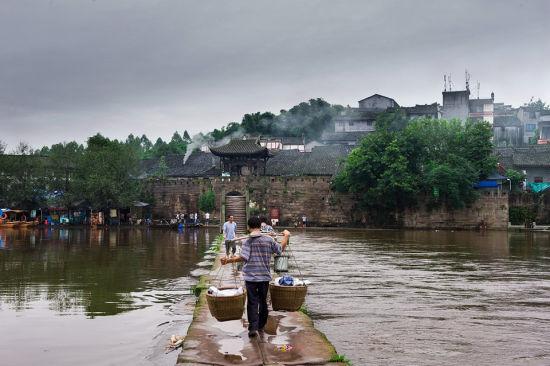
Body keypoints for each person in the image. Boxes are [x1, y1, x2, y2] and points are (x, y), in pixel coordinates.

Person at [221, 216, 290, 337]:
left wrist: (228, 260)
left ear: (249, 227)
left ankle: (253, 327)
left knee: (252, 301)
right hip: (264, 277)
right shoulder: (268, 240)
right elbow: (280, 250)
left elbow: (243, 258)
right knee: (263, 301)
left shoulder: (248, 241)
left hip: (251, 278)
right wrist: (286, 236)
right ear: (260, 227)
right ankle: (261, 326)